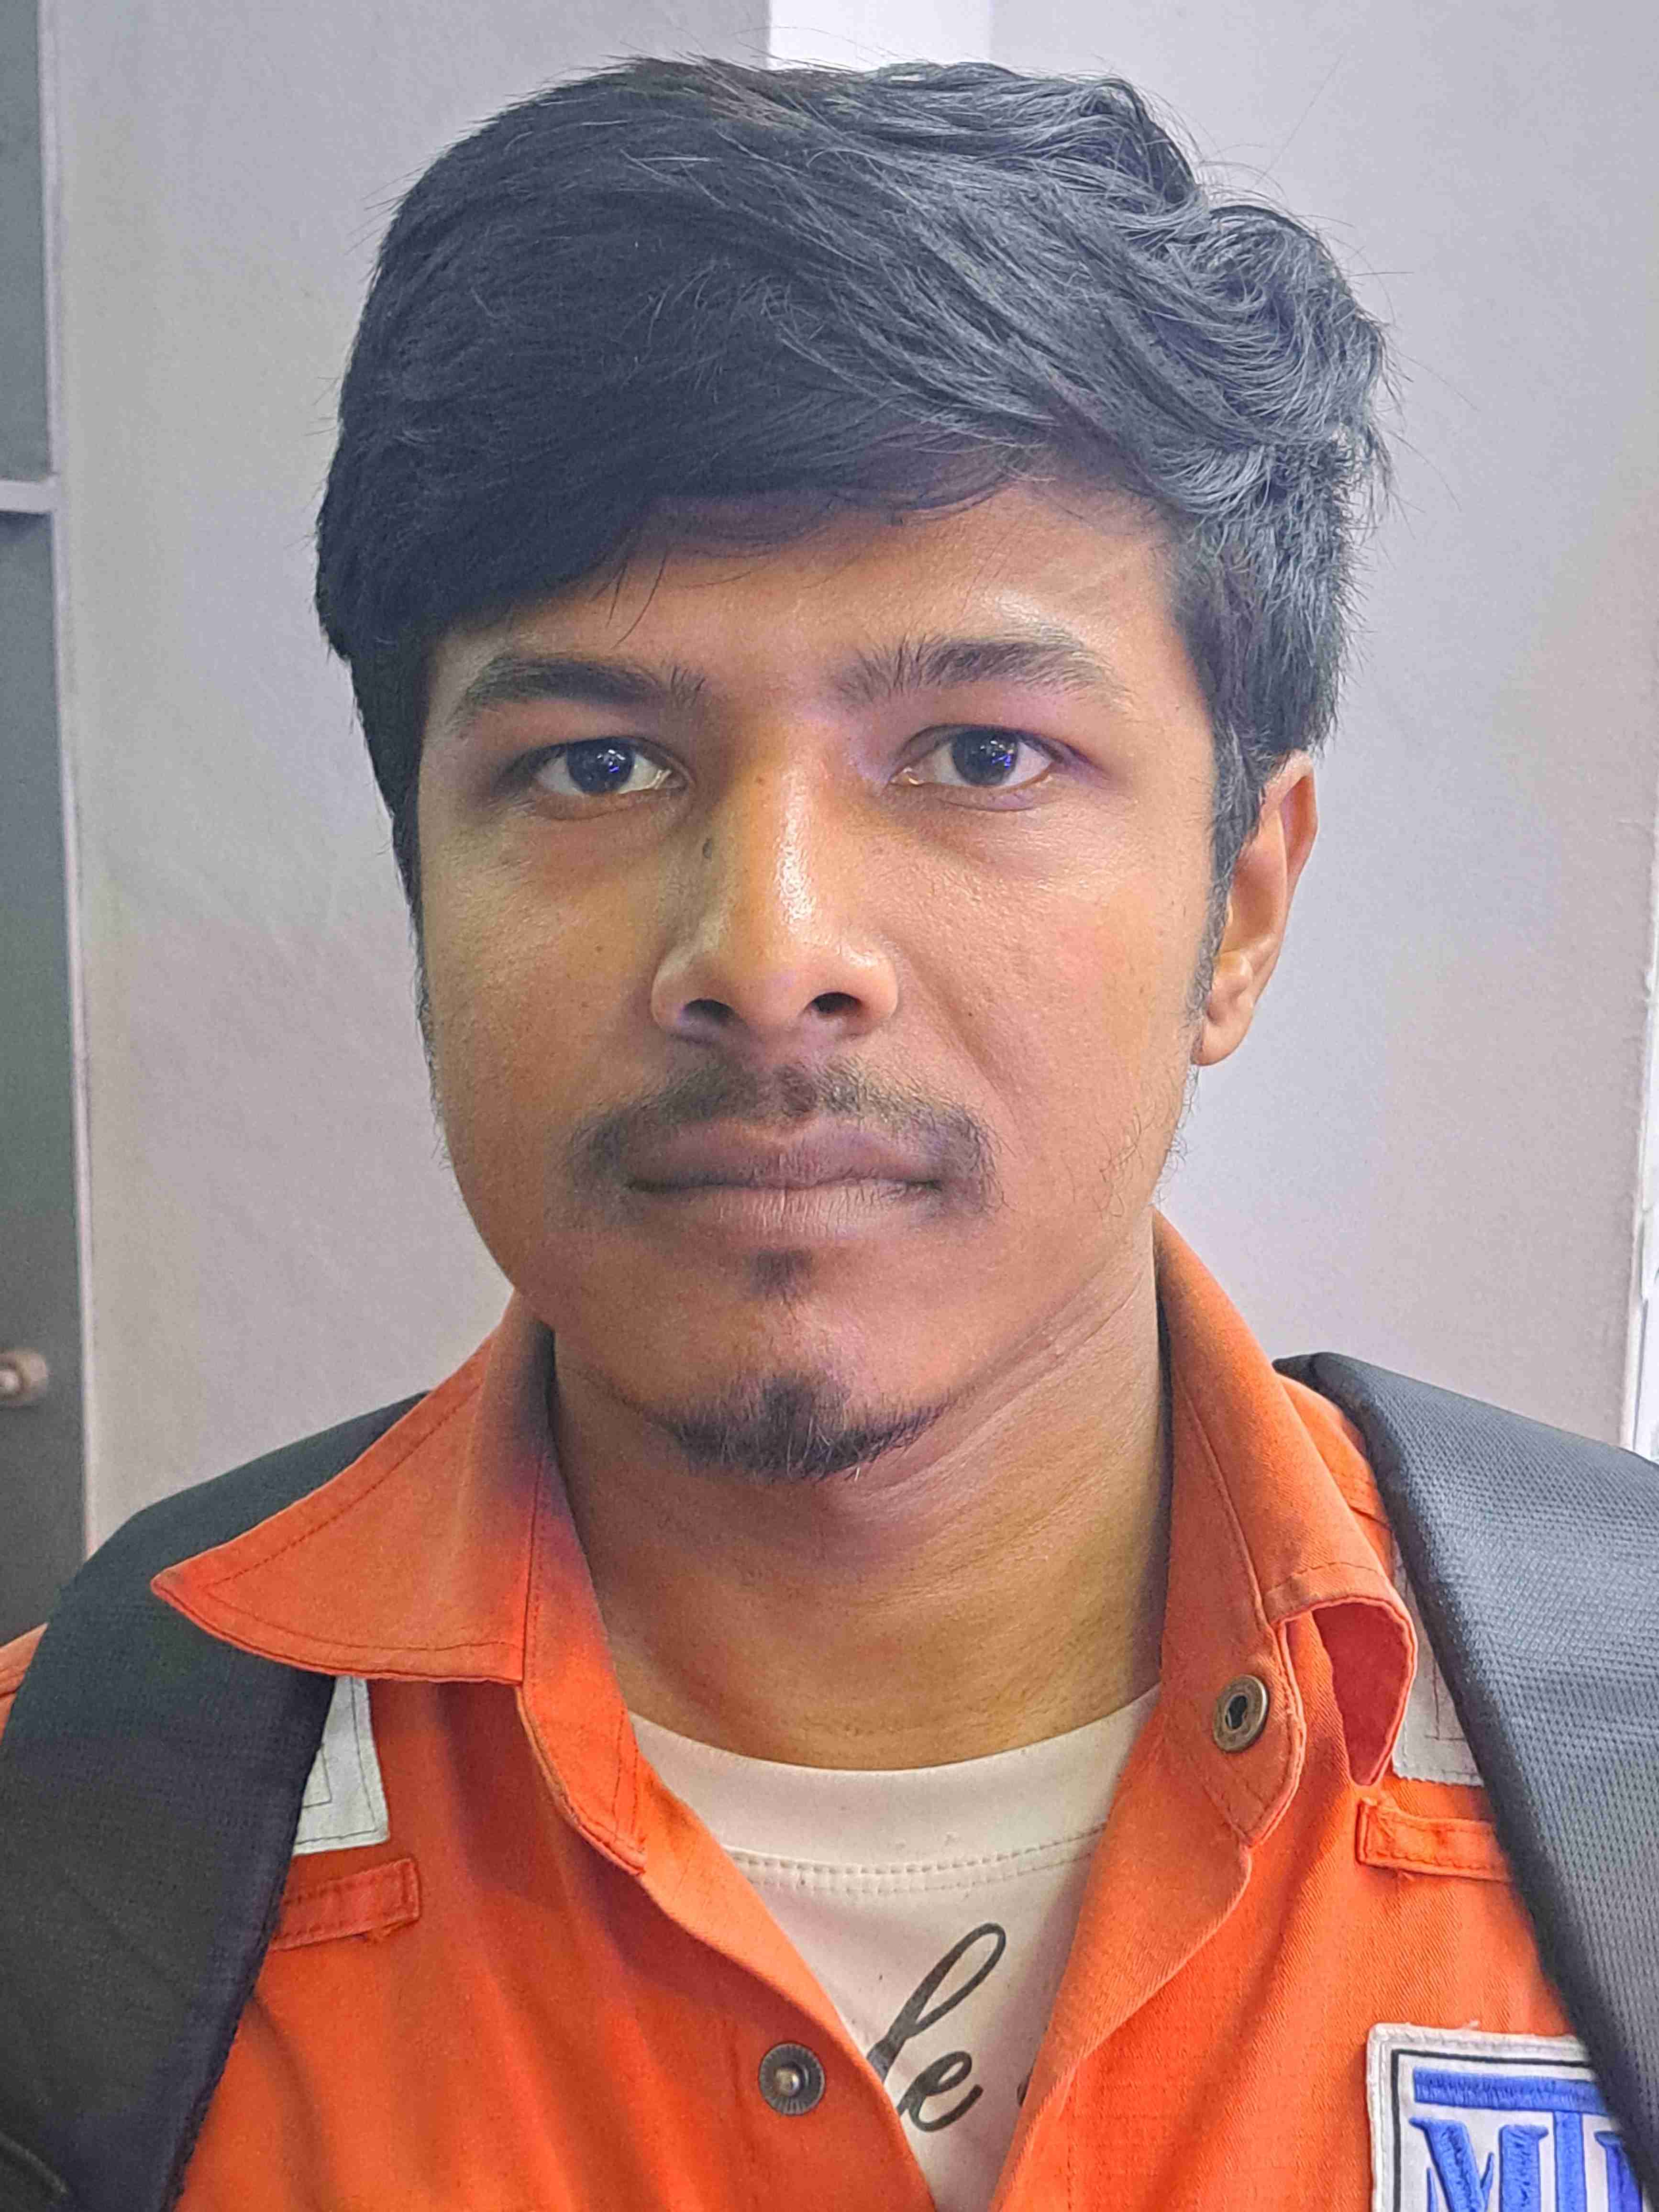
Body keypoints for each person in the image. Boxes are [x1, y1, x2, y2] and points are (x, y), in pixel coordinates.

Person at [0, 55, 1632, 2212]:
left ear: (1240, 907)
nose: (769, 955)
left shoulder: (1612, 1772)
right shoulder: (58, 1846)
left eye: (979, 752)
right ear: (422, 888)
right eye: (594, 766)